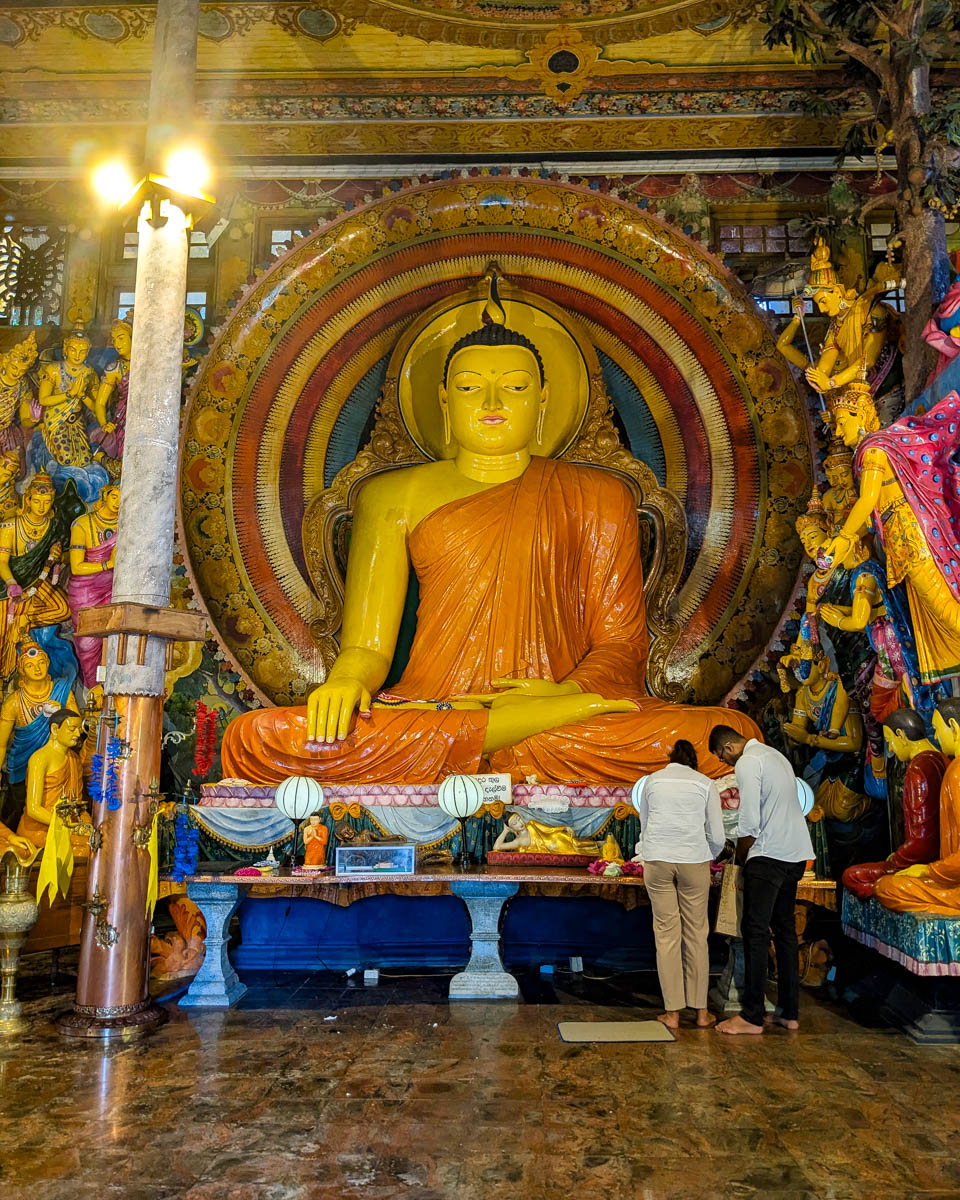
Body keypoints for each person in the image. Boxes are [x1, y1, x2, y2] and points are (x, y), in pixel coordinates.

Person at [221, 302, 759, 785]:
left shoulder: (601, 494)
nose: (494, 401)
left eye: (518, 388)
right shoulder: (391, 495)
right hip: (430, 707)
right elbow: (368, 646)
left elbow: (622, 645)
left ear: (544, 399)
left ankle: (516, 730)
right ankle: (511, 732)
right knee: (257, 738)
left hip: (555, 712)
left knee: (729, 736)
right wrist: (343, 683)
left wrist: (567, 696)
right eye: (471, 386)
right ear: (444, 399)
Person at [709, 723, 814, 1035]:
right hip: (795, 854)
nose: (728, 764)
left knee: (754, 931)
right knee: (784, 932)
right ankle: (788, 1012)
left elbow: (750, 818)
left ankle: (752, 1016)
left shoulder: (748, 761)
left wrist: (738, 860)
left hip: (768, 856)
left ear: (727, 748)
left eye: (723, 758)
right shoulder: (776, 756)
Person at [637, 738, 725, 1030]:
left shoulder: (652, 781)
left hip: (658, 860)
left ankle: (672, 1014)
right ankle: (701, 1013)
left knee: (666, 934)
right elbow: (718, 836)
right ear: (694, 760)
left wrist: (653, 851)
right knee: (697, 934)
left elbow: (645, 825)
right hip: (694, 861)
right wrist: (705, 855)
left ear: (670, 757)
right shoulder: (705, 783)